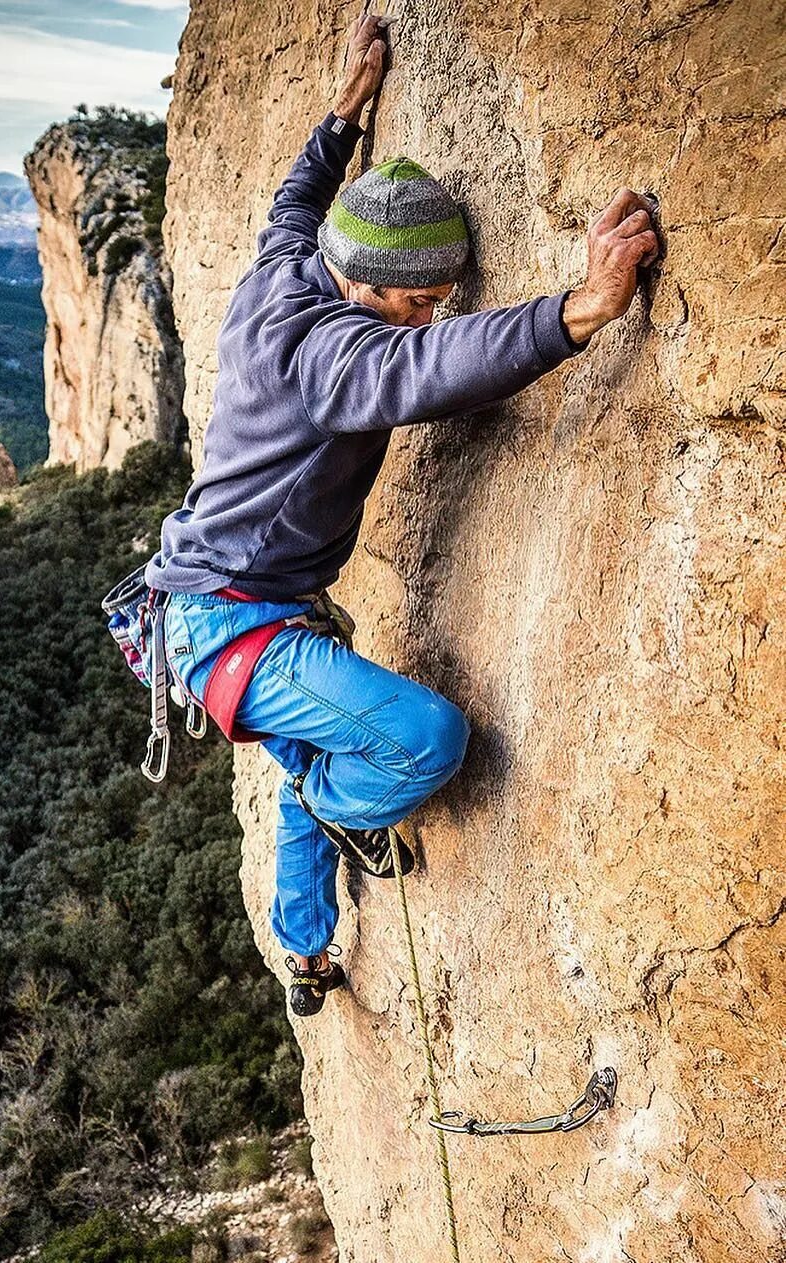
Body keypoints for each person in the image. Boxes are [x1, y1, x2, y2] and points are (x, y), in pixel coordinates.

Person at [143, 12, 659, 1016]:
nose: (434, 314)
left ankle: (306, 955)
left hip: (230, 606)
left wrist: (344, 117)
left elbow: (293, 204)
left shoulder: (287, 269)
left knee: (321, 757)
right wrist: (583, 309)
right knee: (423, 740)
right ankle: (337, 812)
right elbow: (432, 368)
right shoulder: (337, 357)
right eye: (421, 301)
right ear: (369, 285)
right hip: (233, 629)